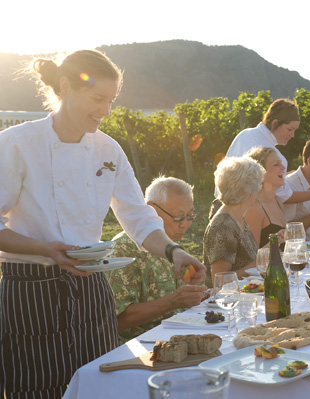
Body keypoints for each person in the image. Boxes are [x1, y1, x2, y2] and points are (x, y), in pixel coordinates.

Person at [0, 50, 205, 399]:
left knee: (100, 382)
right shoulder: (17, 144)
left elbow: (138, 217)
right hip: (33, 291)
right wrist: (46, 249)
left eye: (111, 100)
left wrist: (174, 251)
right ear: (65, 87)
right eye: (98, 99)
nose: (106, 111)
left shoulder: (108, 149)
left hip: (91, 287)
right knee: (37, 388)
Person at [106, 176, 209, 344]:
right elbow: (117, 320)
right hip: (141, 348)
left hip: (180, 337)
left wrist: (202, 295)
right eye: (178, 217)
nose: (185, 225)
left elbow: (187, 298)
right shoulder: (123, 249)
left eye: (190, 216)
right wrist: (172, 302)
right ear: (151, 210)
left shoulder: (175, 246)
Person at [210, 98, 310, 218]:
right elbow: (285, 196)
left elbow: (254, 176)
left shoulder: (244, 134)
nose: (292, 135)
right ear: (275, 123)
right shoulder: (275, 156)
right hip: (244, 215)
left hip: (219, 209)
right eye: (290, 129)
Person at [203, 157, 264, 287]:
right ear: (247, 190)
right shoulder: (223, 226)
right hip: (230, 301)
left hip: (246, 295)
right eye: (258, 186)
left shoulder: (237, 217)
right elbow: (219, 281)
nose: (259, 191)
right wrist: (256, 266)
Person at [244, 147, 287, 247]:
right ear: (260, 172)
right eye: (276, 164)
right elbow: (253, 257)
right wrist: (274, 242)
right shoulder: (254, 208)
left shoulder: (278, 201)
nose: (283, 168)